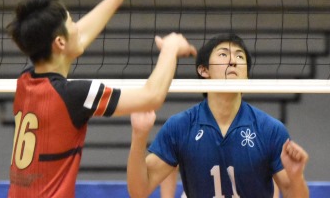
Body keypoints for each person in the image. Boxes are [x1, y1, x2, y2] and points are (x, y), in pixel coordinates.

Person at [7, 0, 197, 198]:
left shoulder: (25, 82)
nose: (78, 27)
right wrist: (170, 49)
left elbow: (77, 38)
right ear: (60, 42)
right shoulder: (75, 95)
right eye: (72, 22)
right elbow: (152, 97)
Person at [127, 33, 310, 198]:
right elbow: (139, 191)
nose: (233, 61)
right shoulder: (180, 126)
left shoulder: (270, 130)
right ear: (203, 70)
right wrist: (139, 134)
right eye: (223, 54)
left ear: (247, 77)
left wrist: (296, 177)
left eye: (240, 56)